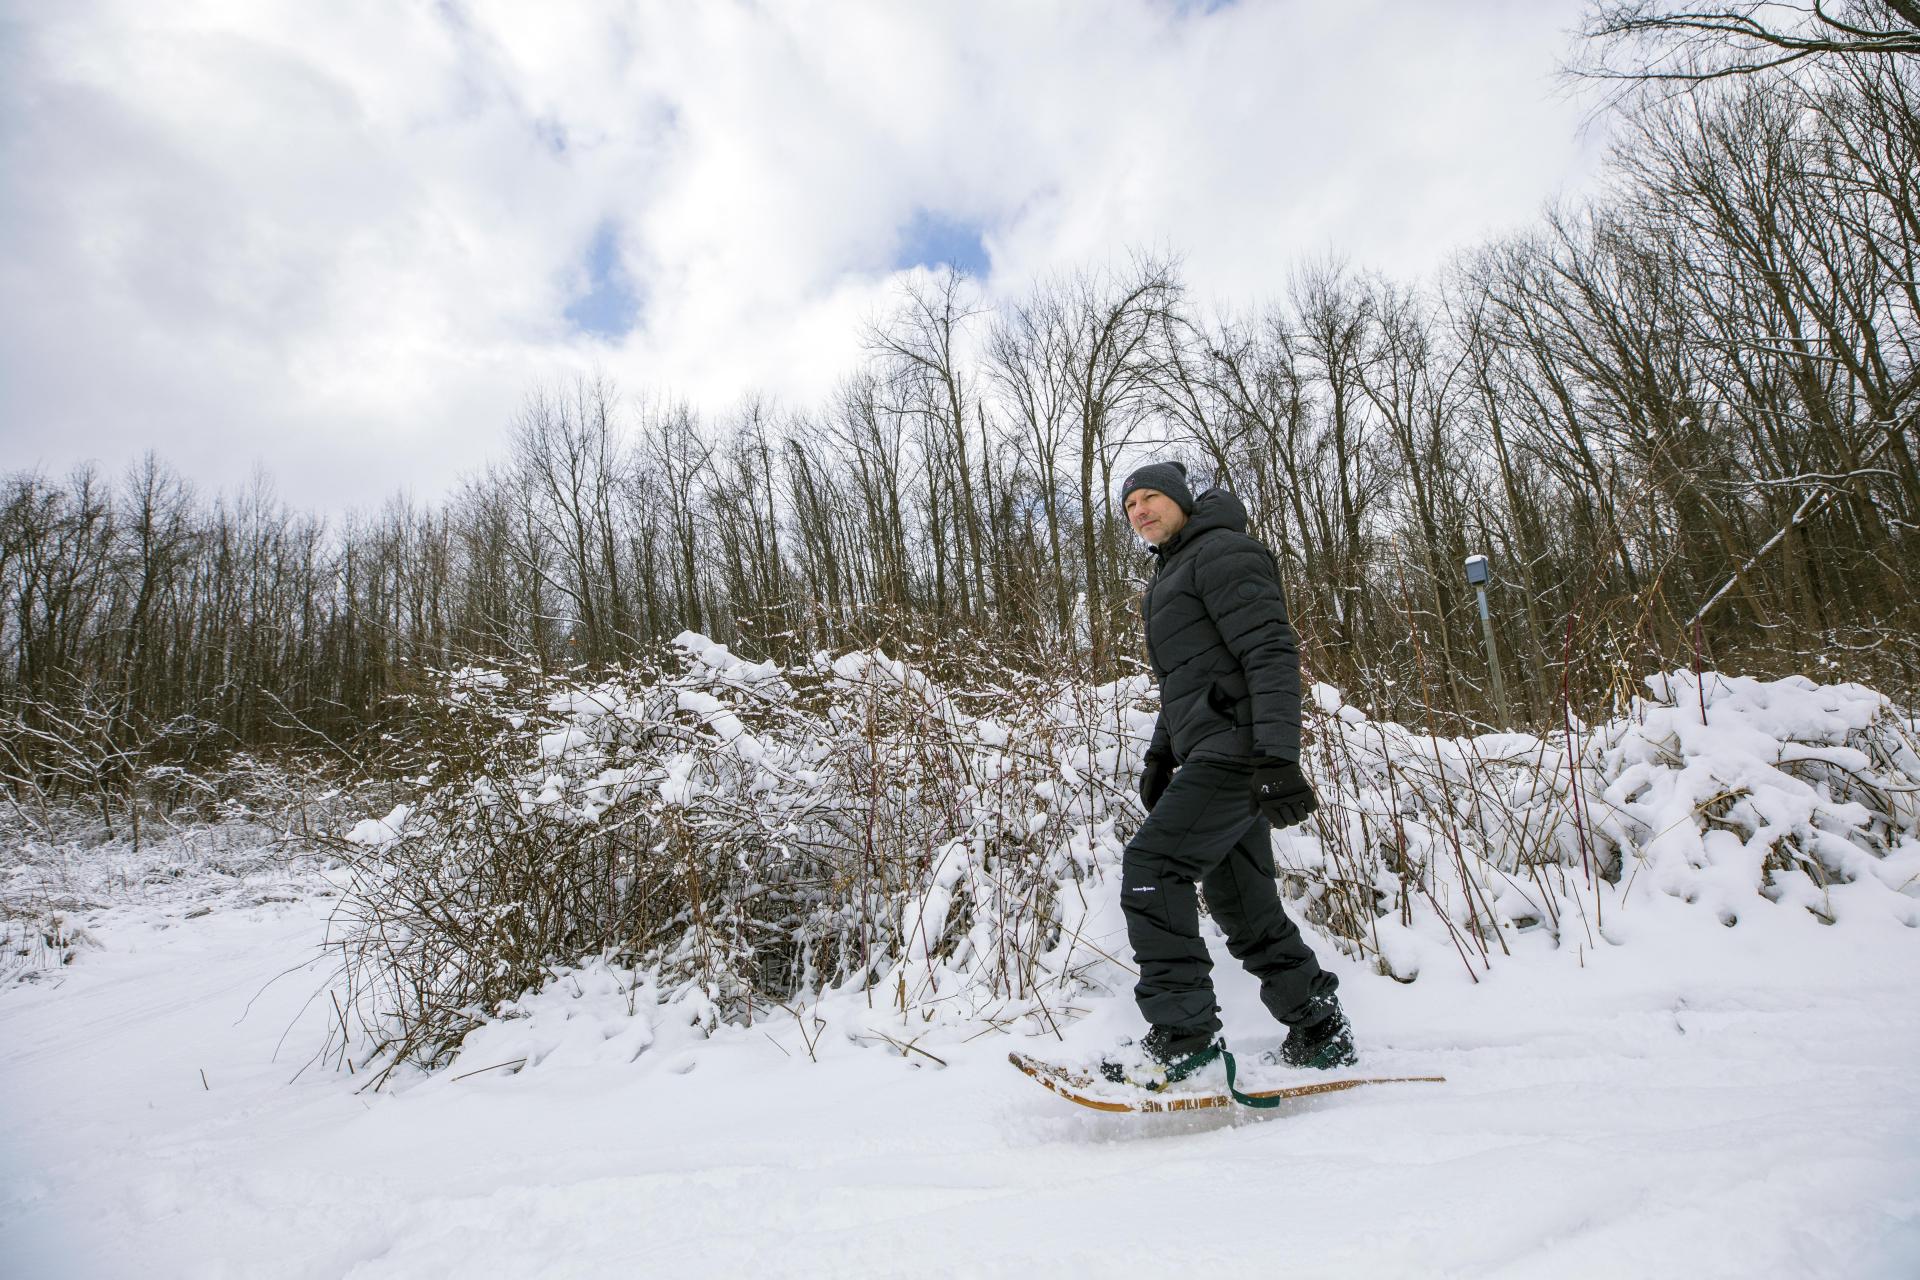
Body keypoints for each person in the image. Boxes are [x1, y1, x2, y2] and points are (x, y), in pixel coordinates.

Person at [1101, 460, 1354, 1089]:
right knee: (1243, 904)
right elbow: (1188, 683)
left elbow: (1268, 651)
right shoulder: (1173, 572)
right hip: (1214, 749)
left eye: (1151, 498)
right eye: (1130, 505)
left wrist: (1277, 756)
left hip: (1238, 752)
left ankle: (1184, 1040)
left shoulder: (1223, 554)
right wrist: (1163, 752)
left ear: (1183, 499)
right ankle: (1318, 1028)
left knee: (1154, 869)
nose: (1139, 512)